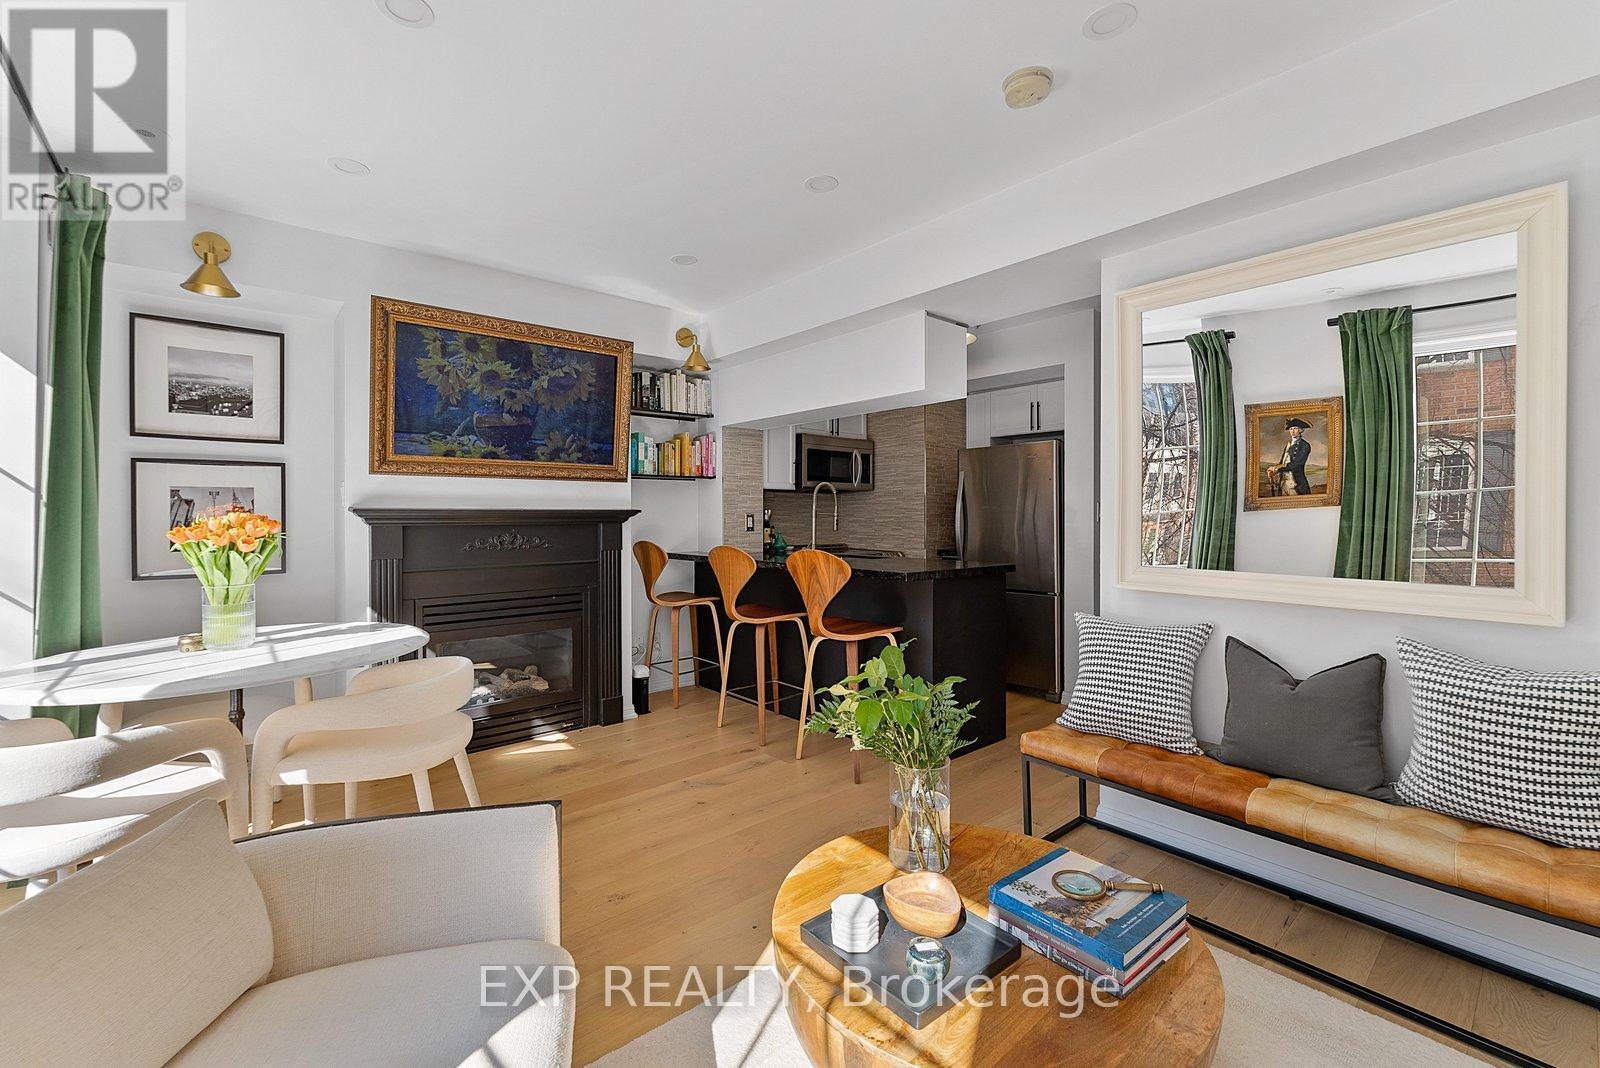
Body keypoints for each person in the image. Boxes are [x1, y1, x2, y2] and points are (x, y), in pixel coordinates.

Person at [1266, 417, 1312, 496]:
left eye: (1295, 428)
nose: (1292, 431)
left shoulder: (1305, 445)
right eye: (1291, 429)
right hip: (1283, 482)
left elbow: (1296, 465)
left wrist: (1278, 469)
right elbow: (1282, 462)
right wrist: (1273, 468)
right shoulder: (1288, 445)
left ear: (1301, 430)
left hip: (1295, 483)